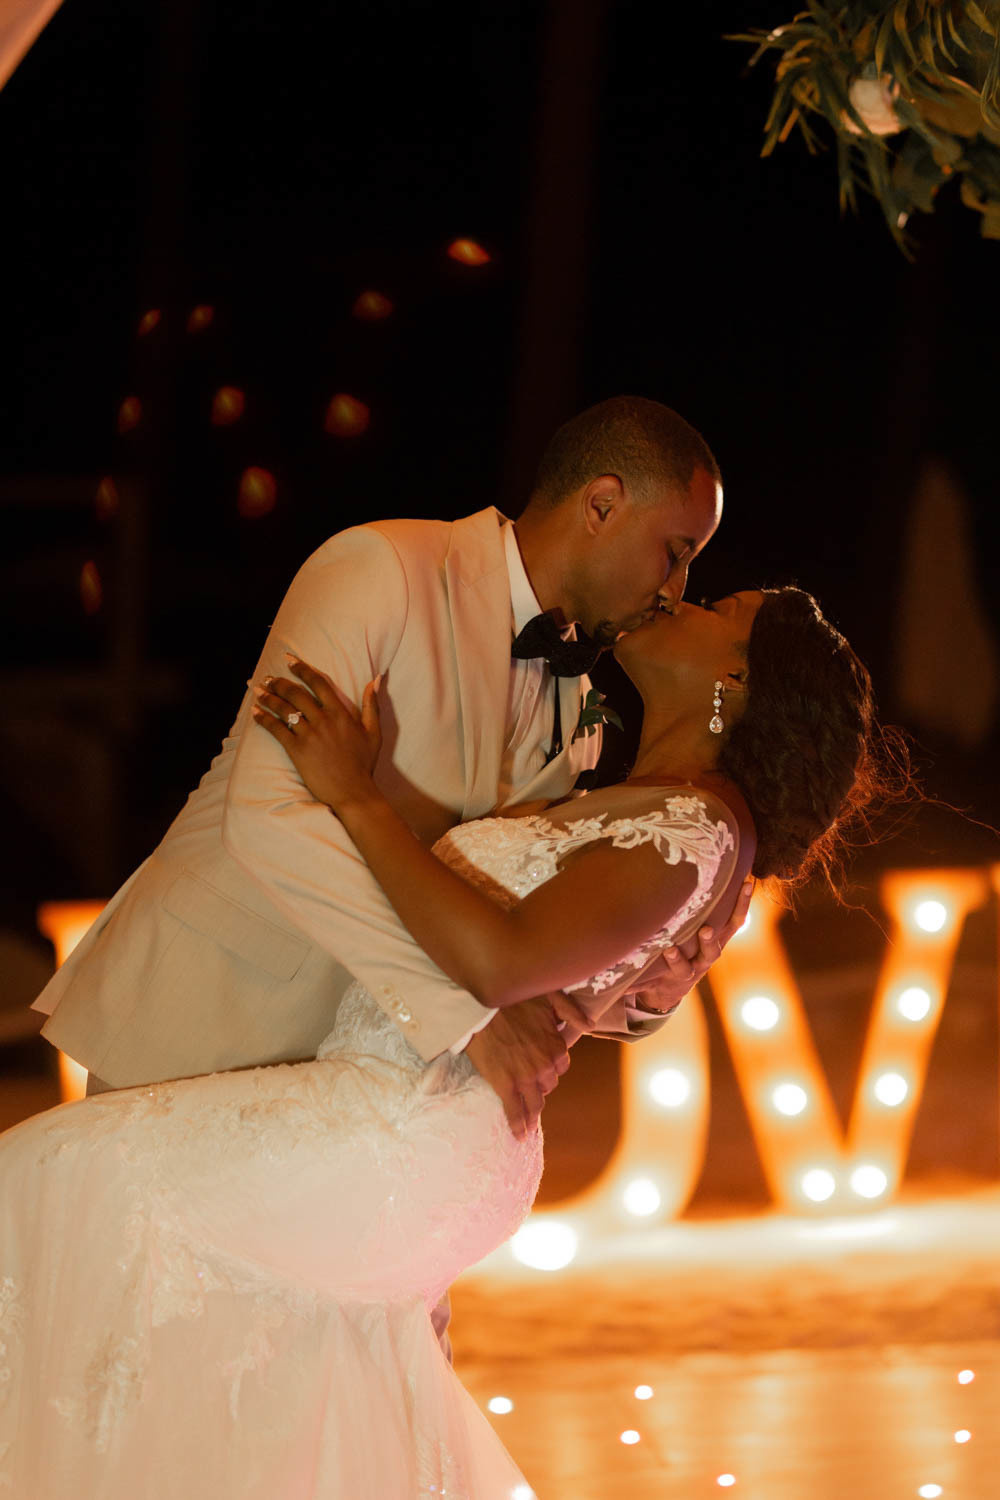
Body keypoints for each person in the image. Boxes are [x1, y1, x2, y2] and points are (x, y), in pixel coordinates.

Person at [0, 584, 891, 1497]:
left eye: (716, 606)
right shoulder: (644, 802)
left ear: (735, 679)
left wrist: (355, 796)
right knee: (271, 1372)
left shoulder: (696, 827)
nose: (676, 595)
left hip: (406, 1124)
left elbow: (501, 964)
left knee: (51, 1177)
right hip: (413, 1110)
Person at [32, 396, 742, 1140]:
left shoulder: (582, 706)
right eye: (677, 551)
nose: (675, 591)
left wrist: (648, 986)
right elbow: (268, 815)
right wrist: (466, 1018)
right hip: (205, 1017)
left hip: (358, 1074)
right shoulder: (380, 567)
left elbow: (496, 916)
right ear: (602, 504)